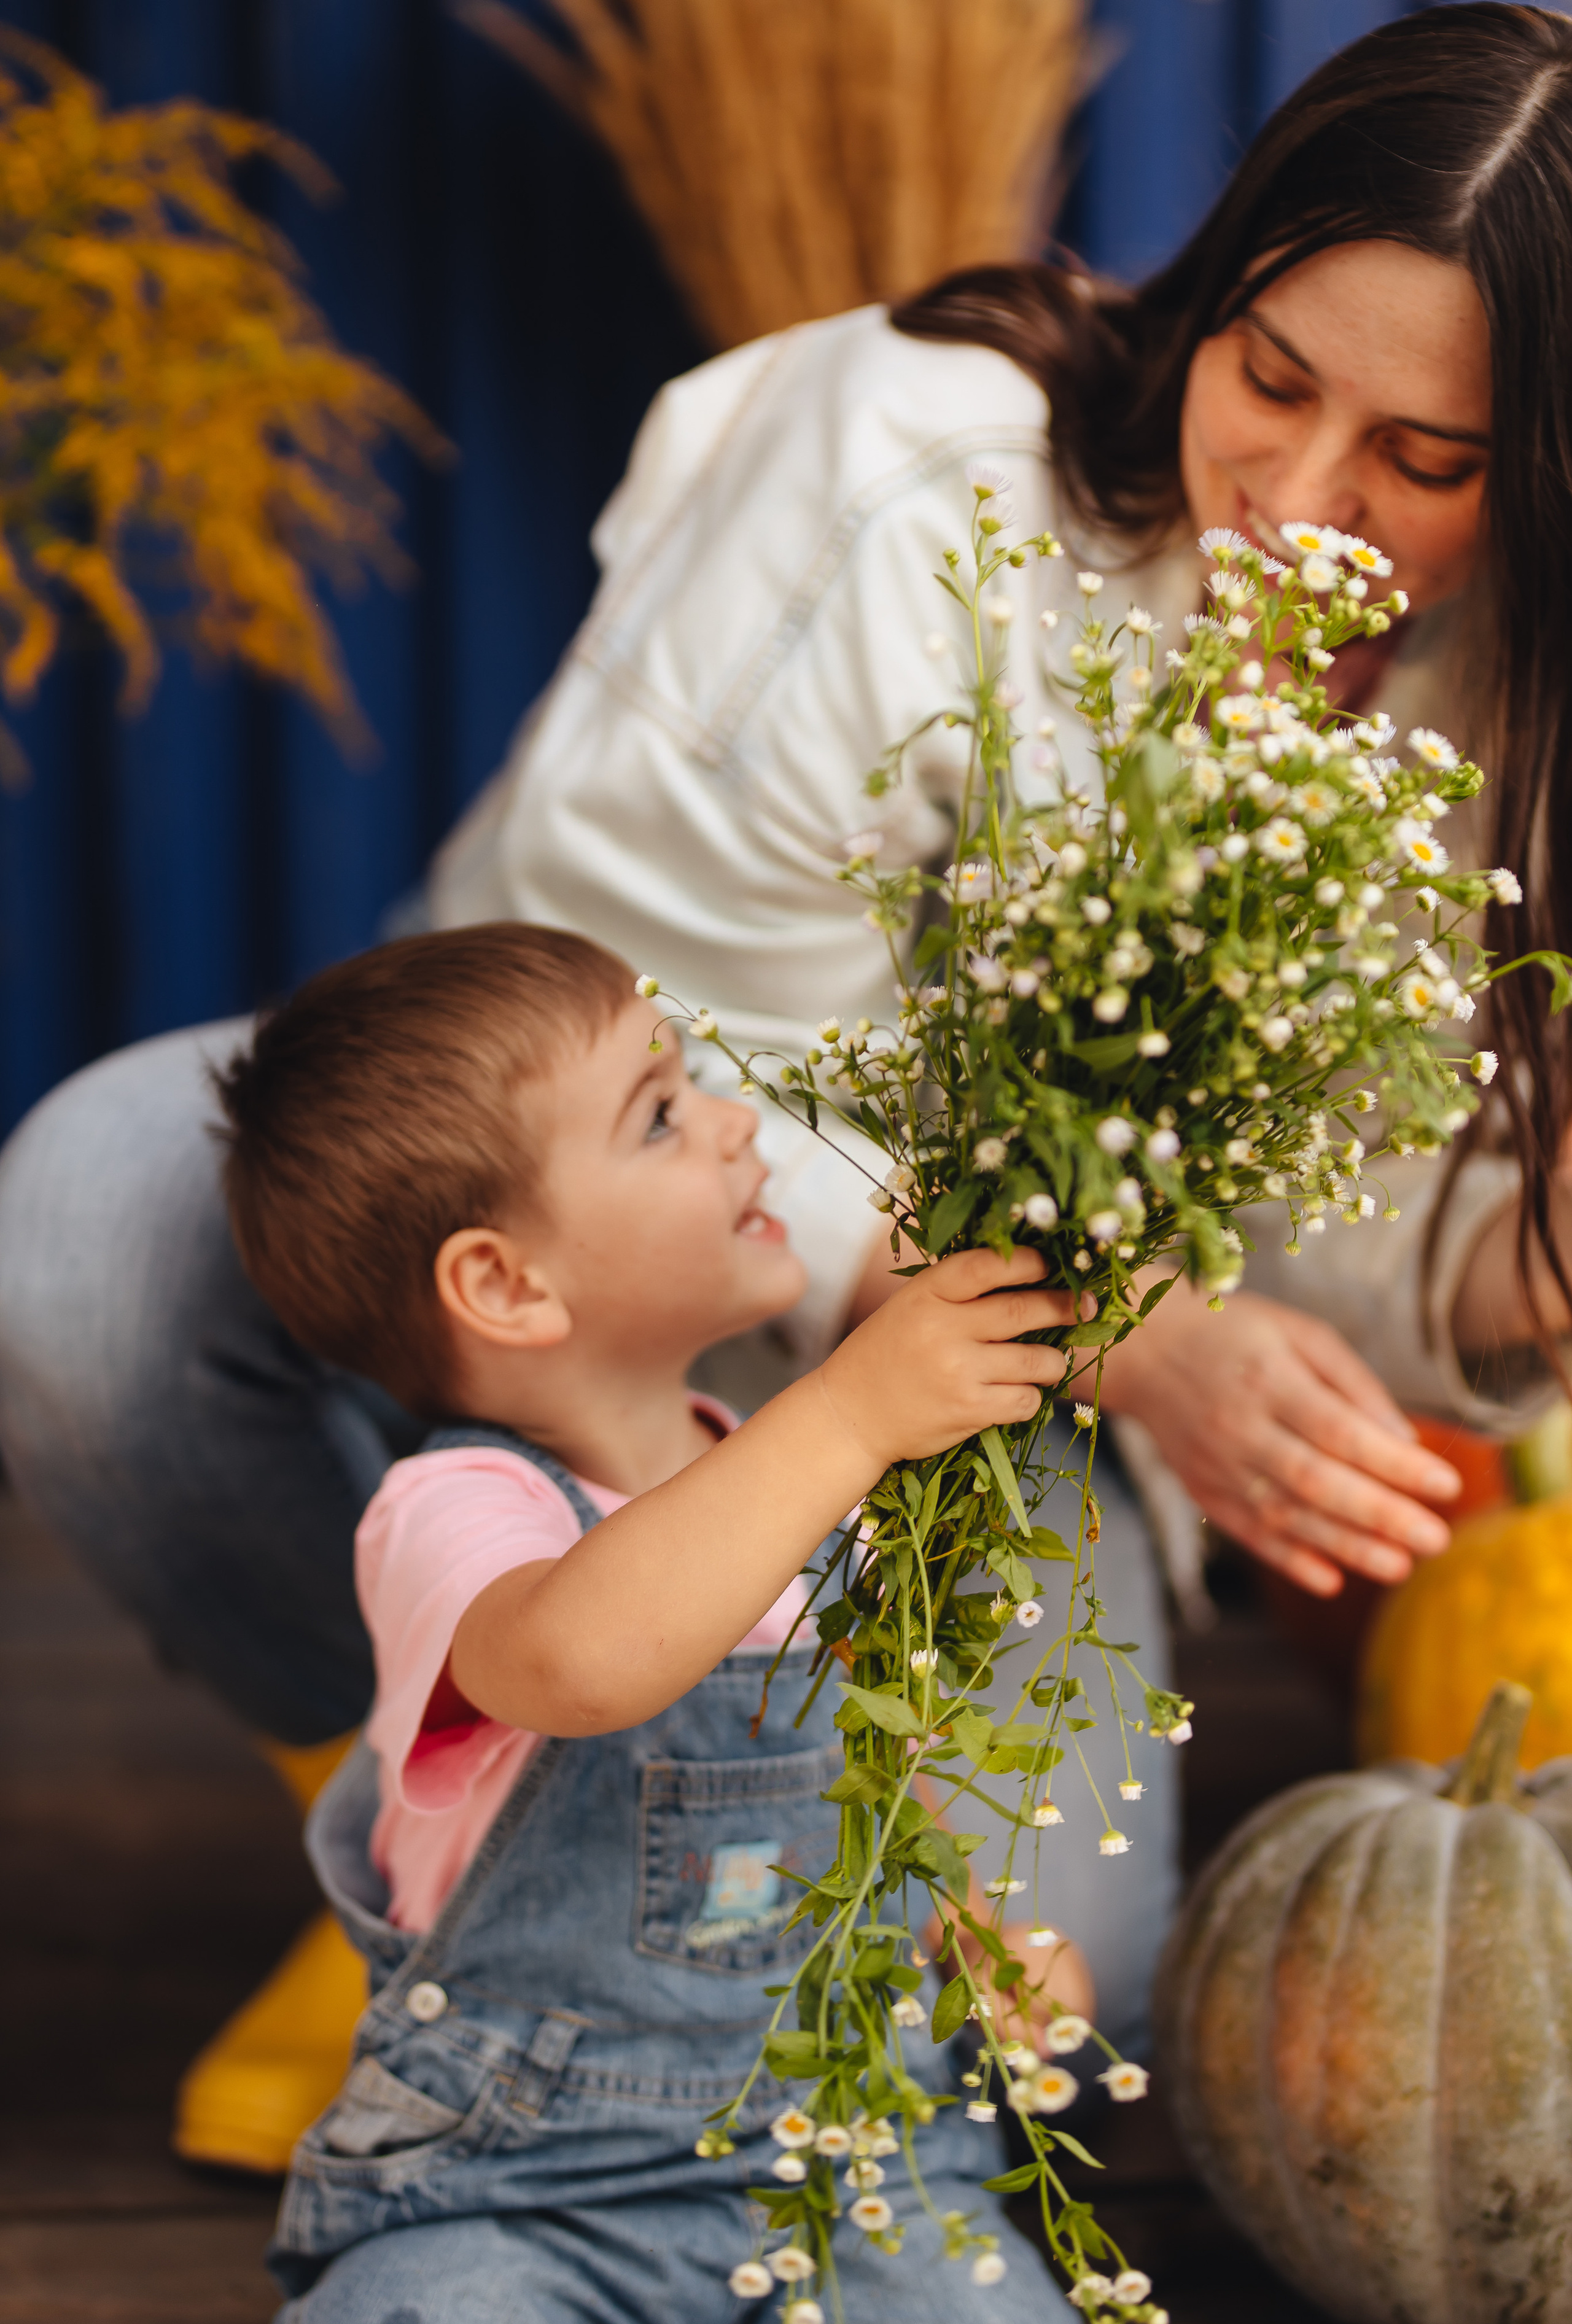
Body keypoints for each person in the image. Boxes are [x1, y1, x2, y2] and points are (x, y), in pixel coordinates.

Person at [2, 0, 1570, 2164]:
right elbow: (623, 993)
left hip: (1006, 1373)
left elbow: (1373, 1222)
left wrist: (1520, 1276)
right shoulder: (911, 463)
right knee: (93, 1234)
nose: (1300, 500)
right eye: (1272, 375)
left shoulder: (1522, 719)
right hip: (628, 1195)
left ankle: (646, 1887)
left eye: (1428, 459)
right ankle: (434, 1839)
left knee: (1050, 1985)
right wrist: (1127, 1325)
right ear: (1215, 288)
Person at [222, 920, 1091, 2324]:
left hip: (846, 2165)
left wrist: (981, 1935)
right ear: (507, 1285)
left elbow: (882, 1783)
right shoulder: (459, 1512)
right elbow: (579, 1663)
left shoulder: (809, 1490)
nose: (739, 1122)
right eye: (662, 1114)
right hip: (520, 2192)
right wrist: (853, 1411)